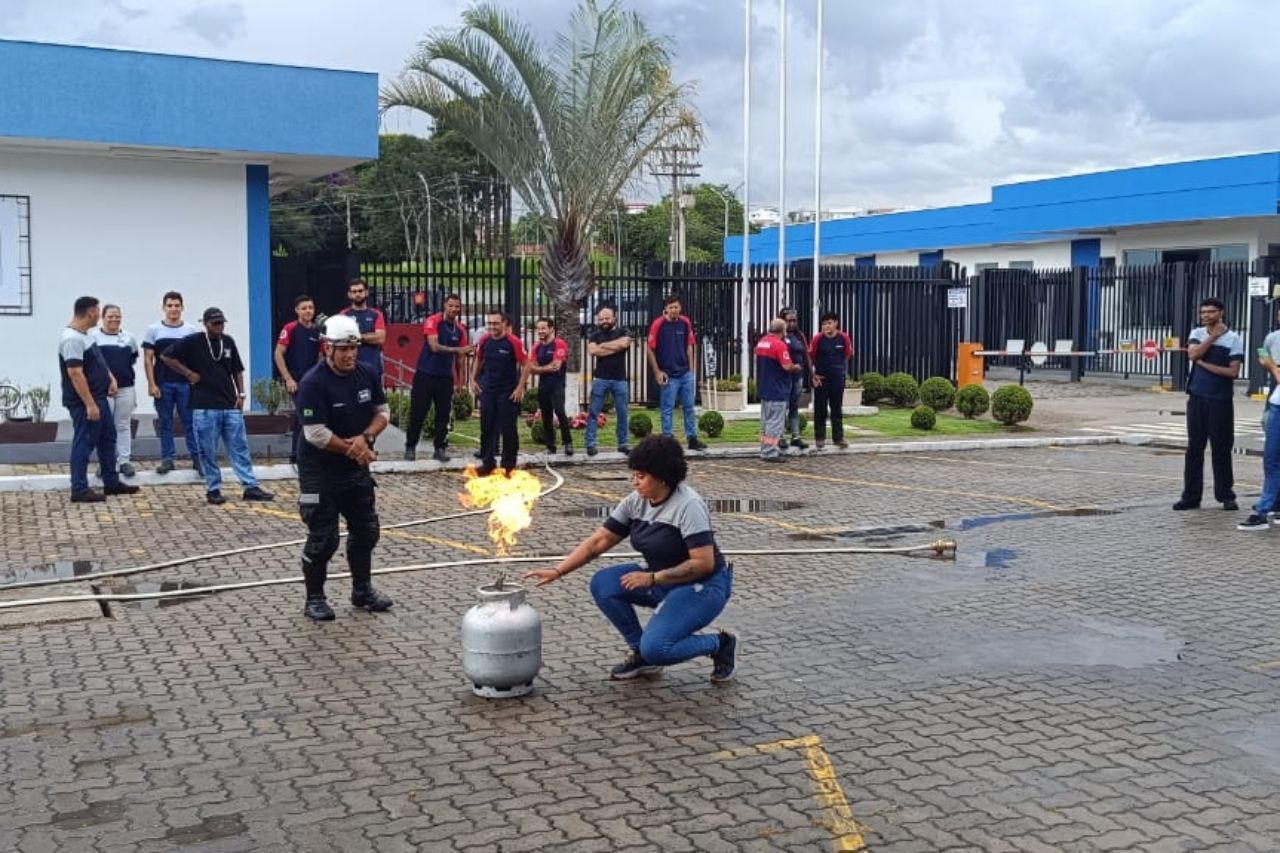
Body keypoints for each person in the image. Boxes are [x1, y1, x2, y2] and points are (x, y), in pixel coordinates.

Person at [524, 435, 736, 683]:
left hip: (703, 586)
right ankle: (642, 655)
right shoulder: (636, 501)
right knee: (604, 584)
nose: (634, 482)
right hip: (662, 580)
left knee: (658, 648)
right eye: (633, 475)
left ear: (662, 477)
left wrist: (653, 578)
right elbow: (599, 541)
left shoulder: (688, 505)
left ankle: (720, 644)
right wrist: (558, 571)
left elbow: (703, 563)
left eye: (641, 476)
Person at [294, 315, 393, 620]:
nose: (350, 355)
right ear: (328, 348)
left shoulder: (367, 373)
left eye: (354, 348)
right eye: (343, 349)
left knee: (366, 530)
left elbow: (383, 412)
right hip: (319, 471)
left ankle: (362, 591)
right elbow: (315, 433)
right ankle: (314, 599)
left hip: (355, 468)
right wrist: (355, 449)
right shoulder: (312, 383)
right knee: (324, 538)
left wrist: (366, 438)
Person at [161, 308, 274, 506]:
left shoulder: (227, 341)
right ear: (205, 324)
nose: (219, 327)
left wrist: (241, 394)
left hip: (229, 403)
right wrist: (188, 373)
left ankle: (250, 486)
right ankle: (213, 488)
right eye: (215, 323)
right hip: (204, 406)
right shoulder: (194, 341)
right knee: (208, 450)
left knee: (239, 447)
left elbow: (237, 369)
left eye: (221, 323)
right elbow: (166, 356)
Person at [60, 296, 140, 503]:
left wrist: (110, 377)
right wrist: (89, 403)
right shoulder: (72, 339)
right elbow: (75, 373)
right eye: (98, 311)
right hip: (85, 402)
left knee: (108, 438)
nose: (99, 315)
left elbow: (98, 361)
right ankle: (79, 489)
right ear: (89, 313)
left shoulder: (85, 335)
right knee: (85, 443)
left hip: (100, 397)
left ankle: (111, 482)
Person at [1174, 297, 1243, 511]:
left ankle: (1226, 495)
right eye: (1203, 312)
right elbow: (1193, 354)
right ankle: (1191, 496)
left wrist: (1204, 364)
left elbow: (1233, 371)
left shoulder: (1233, 338)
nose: (1205, 316)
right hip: (1197, 397)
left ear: (1221, 313)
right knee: (1195, 448)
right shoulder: (1197, 333)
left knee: (1221, 447)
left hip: (1220, 399)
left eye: (1210, 312)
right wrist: (1213, 337)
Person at [405, 293, 472, 462]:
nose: (453, 309)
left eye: (457, 306)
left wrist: (460, 382)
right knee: (418, 413)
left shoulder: (460, 330)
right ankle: (410, 447)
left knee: (443, 415)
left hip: (445, 377)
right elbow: (434, 346)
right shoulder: (433, 321)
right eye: (451, 305)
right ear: (444, 306)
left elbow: (461, 359)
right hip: (425, 374)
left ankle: (440, 448)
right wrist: (457, 350)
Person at [142, 291, 201, 474]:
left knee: (190, 422)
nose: (173, 309)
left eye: (177, 305)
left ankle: (197, 458)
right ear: (163, 308)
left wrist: (196, 380)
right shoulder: (154, 330)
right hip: (163, 383)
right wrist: (151, 384)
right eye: (170, 305)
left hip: (185, 384)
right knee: (165, 423)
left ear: (182, 308)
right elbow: (148, 359)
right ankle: (168, 459)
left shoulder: (190, 330)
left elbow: (196, 358)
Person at [646, 295, 707, 451]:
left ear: (680, 308)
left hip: (685, 373)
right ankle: (667, 440)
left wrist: (691, 371)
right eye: (671, 307)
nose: (674, 310)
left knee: (689, 407)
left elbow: (689, 346)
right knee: (667, 409)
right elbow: (650, 349)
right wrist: (657, 372)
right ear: (666, 308)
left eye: (676, 307)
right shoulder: (658, 324)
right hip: (668, 374)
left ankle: (692, 439)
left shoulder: (685, 322)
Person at [471, 311, 527, 475]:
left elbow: (527, 364)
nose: (492, 327)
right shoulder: (484, 340)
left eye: (495, 323)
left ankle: (508, 465)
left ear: (503, 324)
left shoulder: (513, 342)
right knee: (486, 427)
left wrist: (520, 388)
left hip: (507, 392)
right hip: (488, 390)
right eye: (489, 323)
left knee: (508, 429)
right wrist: (473, 379)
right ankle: (488, 463)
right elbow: (478, 359)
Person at [1238, 321, 1280, 530]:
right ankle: (1264, 510)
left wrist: (1273, 366)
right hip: (1276, 404)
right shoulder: (1273, 337)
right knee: (1271, 460)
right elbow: (1262, 353)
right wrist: (1270, 363)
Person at [93, 304, 141, 477]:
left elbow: (133, 358)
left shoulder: (129, 338)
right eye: (110, 316)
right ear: (102, 318)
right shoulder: (93, 338)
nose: (114, 319)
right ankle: (105, 462)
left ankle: (124, 461)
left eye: (117, 316)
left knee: (123, 425)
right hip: (103, 390)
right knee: (105, 427)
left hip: (126, 388)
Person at [274, 294, 322, 465]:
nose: (308, 311)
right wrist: (288, 379)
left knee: (313, 416)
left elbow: (321, 356)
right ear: (297, 311)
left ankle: (310, 454)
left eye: (310, 308)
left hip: (313, 383)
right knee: (303, 416)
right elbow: (278, 354)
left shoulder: (318, 331)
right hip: (296, 382)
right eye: (304, 308)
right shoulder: (290, 328)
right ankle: (296, 455)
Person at [585, 305, 631, 457]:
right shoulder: (594, 335)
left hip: (620, 379)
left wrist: (603, 346)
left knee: (622, 413)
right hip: (601, 379)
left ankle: (623, 444)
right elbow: (592, 350)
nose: (604, 321)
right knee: (593, 412)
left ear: (614, 318)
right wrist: (615, 347)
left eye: (607, 318)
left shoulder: (623, 331)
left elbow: (624, 343)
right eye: (601, 319)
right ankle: (591, 444)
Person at [524, 317, 574, 456]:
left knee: (560, 411)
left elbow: (556, 366)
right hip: (543, 385)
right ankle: (550, 446)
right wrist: (543, 368)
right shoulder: (536, 347)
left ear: (551, 329)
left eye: (543, 328)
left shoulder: (559, 344)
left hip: (557, 384)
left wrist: (538, 369)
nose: (540, 331)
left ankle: (568, 443)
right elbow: (531, 367)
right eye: (538, 328)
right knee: (546, 415)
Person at [755, 318, 801, 463]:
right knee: (774, 423)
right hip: (777, 389)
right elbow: (787, 366)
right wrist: (796, 367)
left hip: (765, 388)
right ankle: (769, 452)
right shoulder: (779, 345)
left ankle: (765, 449)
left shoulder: (762, 342)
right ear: (783, 330)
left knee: (766, 423)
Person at [808, 311, 854, 449]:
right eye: (823, 324)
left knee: (836, 408)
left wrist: (840, 371)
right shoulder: (818, 339)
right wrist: (813, 374)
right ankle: (820, 438)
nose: (826, 326)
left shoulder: (843, 338)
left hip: (837, 379)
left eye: (829, 323)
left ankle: (838, 438)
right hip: (821, 379)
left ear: (836, 323)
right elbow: (810, 356)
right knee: (820, 408)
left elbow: (847, 355)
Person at [341, 278, 386, 384]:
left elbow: (380, 338)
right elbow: (343, 338)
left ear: (366, 292)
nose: (357, 294)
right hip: (350, 369)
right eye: (354, 291)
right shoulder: (343, 315)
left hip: (373, 368)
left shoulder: (376, 314)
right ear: (349, 294)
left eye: (360, 291)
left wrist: (356, 337)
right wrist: (370, 336)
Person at [780, 307, 810, 450]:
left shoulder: (799, 336)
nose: (792, 323)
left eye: (794, 320)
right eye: (789, 321)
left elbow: (806, 354)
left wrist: (812, 373)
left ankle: (796, 437)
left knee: (794, 406)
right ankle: (780, 436)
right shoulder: (779, 336)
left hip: (798, 377)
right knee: (782, 406)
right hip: (784, 377)